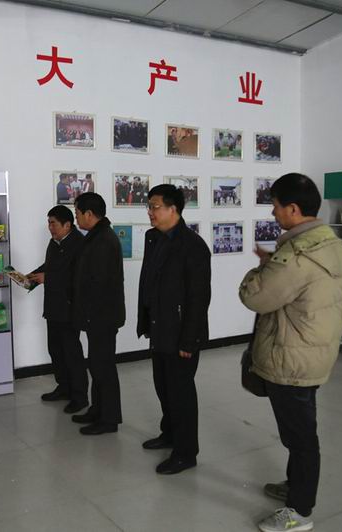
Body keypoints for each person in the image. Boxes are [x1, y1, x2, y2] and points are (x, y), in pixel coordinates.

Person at [239, 173, 342, 532]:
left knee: (300, 438)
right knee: (299, 429)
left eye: (275, 206)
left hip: (292, 355)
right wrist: (276, 263)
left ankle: (299, 512)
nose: (273, 213)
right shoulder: (331, 243)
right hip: (312, 351)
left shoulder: (298, 255)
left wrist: (262, 267)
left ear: (293, 209)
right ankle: (294, 486)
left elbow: (255, 296)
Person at [137, 184, 211, 475]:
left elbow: (198, 299)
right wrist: (146, 321)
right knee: (163, 387)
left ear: (173, 209)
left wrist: (189, 341)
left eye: (155, 207)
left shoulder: (193, 246)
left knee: (181, 394)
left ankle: (186, 453)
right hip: (159, 328)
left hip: (181, 333)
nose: (150, 212)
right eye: (149, 206)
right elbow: (149, 282)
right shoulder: (153, 238)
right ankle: (168, 434)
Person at [70, 192, 125, 435]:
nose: (76, 218)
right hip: (97, 315)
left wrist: (88, 313)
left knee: (104, 368)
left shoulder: (103, 240)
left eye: (77, 213)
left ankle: (109, 419)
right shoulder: (96, 236)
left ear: (89, 214)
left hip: (102, 316)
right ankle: (97, 410)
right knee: (96, 364)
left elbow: (98, 284)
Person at [28, 206, 88, 413]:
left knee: (71, 353)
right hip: (53, 307)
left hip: (69, 308)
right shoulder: (54, 242)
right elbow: (50, 266)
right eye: (49, 223)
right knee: (55, 350)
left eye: (53, 223)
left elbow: (78, 277)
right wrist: (30, 278)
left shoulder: (79, 244)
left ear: (67, 225)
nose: (50, 227)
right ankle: (63, 387)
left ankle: (79, 396)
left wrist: (48, 278)